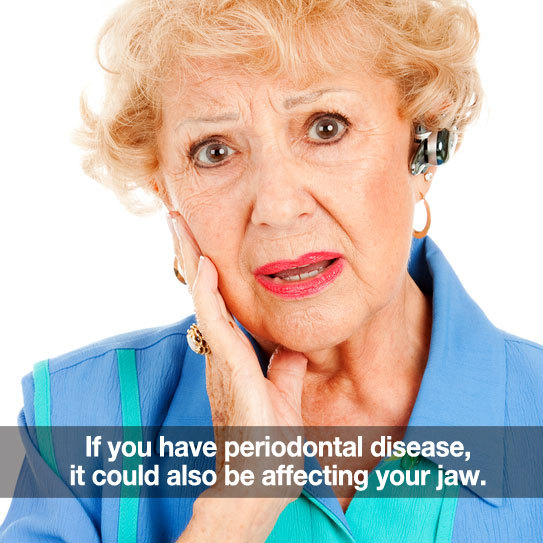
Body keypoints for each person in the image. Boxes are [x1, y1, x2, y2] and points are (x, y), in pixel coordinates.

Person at [1, 0, 543, 541]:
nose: (279, 208)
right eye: (214, 152)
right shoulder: (77, 423)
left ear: (423, 146)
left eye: (326, 128)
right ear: (165, 190)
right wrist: (236, 511)